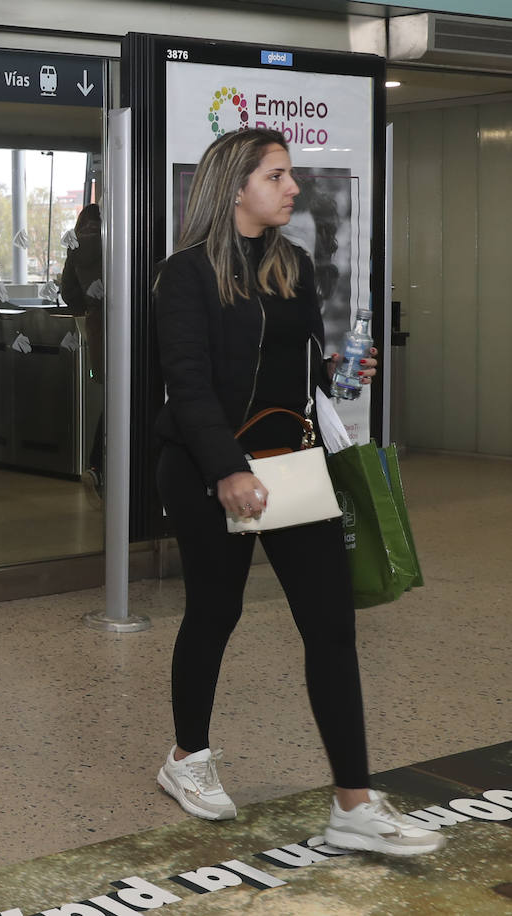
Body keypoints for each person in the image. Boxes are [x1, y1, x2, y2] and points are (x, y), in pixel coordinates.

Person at [152, 128, 443, 856]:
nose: (292, 188)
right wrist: (227, 470)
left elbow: (305, 378)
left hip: (290, 464)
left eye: (290, 176)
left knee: (331, 627)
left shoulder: (293, 265)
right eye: (277, 176)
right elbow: (187, 387)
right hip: (206, 469)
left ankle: (353, 802)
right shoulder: (183, 275)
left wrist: (346, 377)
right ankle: (186, 757)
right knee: (215, 613)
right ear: (236, 186)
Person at [60, 203, 104, 502]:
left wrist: (88, 310)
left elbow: (68, 292)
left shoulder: (76, 247)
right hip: (129, 326)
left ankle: (96, 464)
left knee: (113, 398)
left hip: (99, 325)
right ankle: (101, 464)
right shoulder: (117, 239)